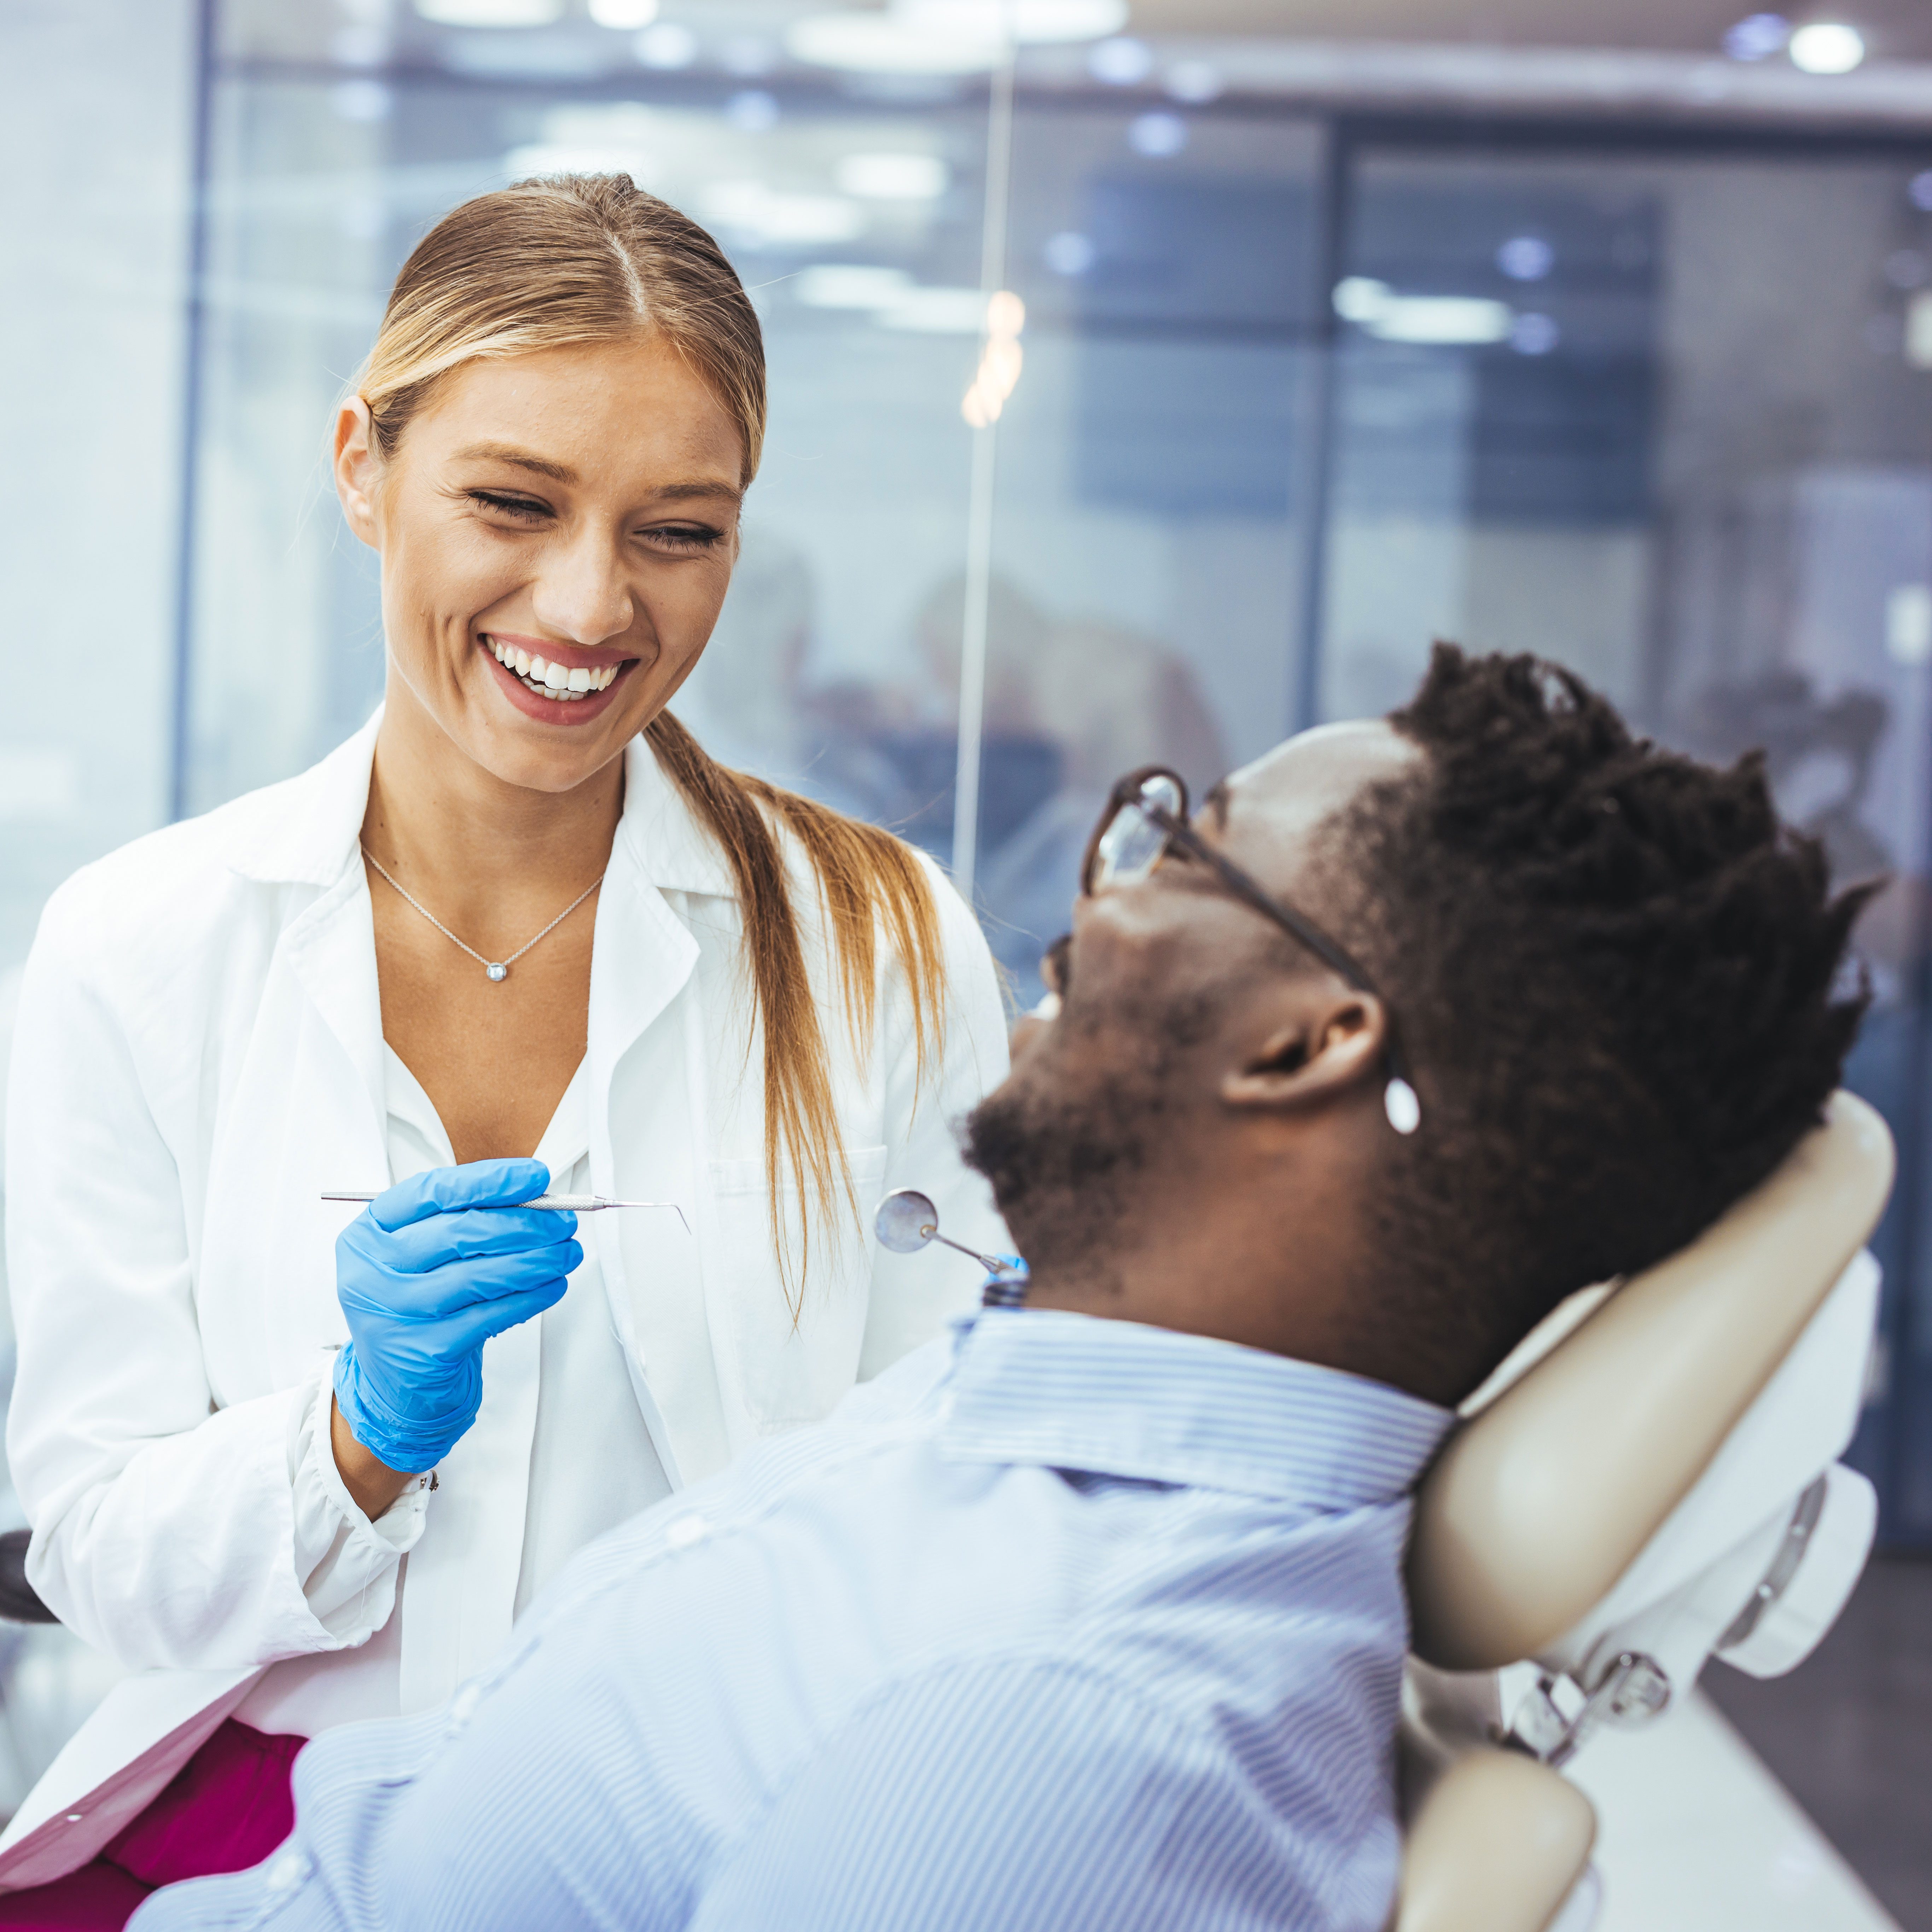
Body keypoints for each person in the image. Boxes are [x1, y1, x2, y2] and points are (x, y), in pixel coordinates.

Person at [131, 646, 1868, 1932]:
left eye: (1179, 850)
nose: (1083, 911)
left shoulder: (1065, 1734)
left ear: (1309, 1042)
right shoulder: (1045, 1418)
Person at [0, 175, 1008, 1922]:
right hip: (265, 1841)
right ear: (361, 469)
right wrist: (350, 1443)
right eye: (512, 504)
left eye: (677, 531)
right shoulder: (143, 945)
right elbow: (97, 1556)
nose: (591, 602)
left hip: (712, 1840)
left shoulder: (876, 940)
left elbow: (966, 1487)